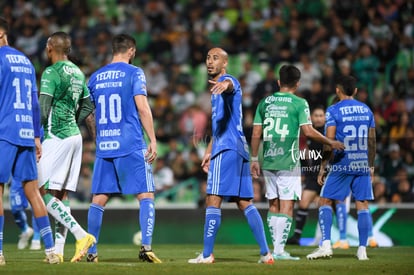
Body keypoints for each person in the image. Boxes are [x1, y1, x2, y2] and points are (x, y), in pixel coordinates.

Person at [188, 47, 274, 264]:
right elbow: (219, 127)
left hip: (227, 149)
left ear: (225, 64)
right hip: (237, 148)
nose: (210, 61)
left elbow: (230, 86)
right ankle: (266, 254)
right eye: (208, 57)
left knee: (212, 199)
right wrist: (208, 152)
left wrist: (224, 85)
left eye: (215, 58)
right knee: (244, 201)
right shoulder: (215, 92)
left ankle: (207, 255)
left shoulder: (228, 81)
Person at [250, 65, 345, 261]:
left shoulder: (264, 102)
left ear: (278, 82)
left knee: (273, 203)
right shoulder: (300, 103)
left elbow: (256, 132)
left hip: (268, 159)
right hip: (288, 160)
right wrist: (331, 141)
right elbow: (308, 131)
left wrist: (253, 158)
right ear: (298, 84)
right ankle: (278, 251)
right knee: (287, 205)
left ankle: (274, 249)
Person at [86, 33, 161, 263]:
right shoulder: (135, 72)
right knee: (145, 194)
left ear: (113, 49)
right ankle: (146, 247)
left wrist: (97, 138)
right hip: (130, 143)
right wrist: (153, 139)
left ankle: (91, 251)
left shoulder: (95, 77)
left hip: (105, 145)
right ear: (131, 51)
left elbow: (89, 114)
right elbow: (143, 108)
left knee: (99, 198)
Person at [0, 16, 60, 265]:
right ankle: (51, 251)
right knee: (33, 192)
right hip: (26, 131)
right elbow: (35, 102)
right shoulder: (24, 61)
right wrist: (37, 135)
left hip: (4, 131)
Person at [38, 31, 96, 263]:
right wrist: (73, 118)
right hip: (74, 136)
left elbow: (43, 108)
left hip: (56, 136)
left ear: (50, 47)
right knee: (60, 195)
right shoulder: (77, 72)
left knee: (40, 192)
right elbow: (88, 104)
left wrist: (36, 135)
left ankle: (81, 235)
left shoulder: (51, 72)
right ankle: (59, 251)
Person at [306, 75, 376, 260]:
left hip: (341, 163)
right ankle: (362, 250)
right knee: (362, 204)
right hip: (362, 163)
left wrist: (323, 166)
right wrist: (371, 165)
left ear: (337, 91)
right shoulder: (367, 110)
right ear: (355, 91)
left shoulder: (333, 110)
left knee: (325, 201)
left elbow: (329, 142)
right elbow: (372, 141)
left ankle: (326, 245)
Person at [287, 106, 326, 245]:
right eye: (316, 115)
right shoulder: (310, 134)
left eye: (321, 115)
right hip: (313, 175)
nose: (319, 118)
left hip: (327, 174)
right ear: (311, 118)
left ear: (325, 118)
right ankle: (297, 236)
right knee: (303, 203)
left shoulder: (328, 132)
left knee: (328, 205)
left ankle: (333, 237)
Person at [9, 177, 42, 250]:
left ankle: (36, 238)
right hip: (17, 176)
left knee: (35, 205)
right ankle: (25, 230)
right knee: (15, 208)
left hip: (32, 173)